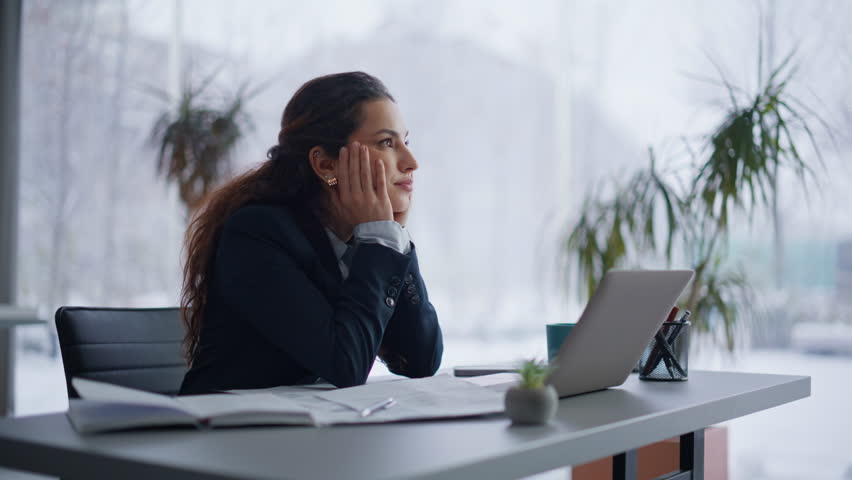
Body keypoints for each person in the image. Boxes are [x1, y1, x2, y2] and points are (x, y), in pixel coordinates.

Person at [178, 72, 443, 394]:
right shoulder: (258, 232)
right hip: (227, 431)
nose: (411, 162)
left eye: (406, 141)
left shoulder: (357, 237)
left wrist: (394, 237)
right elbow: (346, 366)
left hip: (309, 431)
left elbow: (420, 362)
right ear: (325, 165)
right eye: (387, 143)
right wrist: (380, 240)